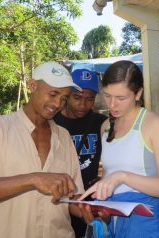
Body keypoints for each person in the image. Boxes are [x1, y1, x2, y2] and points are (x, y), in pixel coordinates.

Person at [0, 61, 93, 238]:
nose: (58, 103)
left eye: (64, 98)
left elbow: (71, 195)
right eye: (53, 94)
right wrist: (32, 179)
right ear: (32, 86)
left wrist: (87, 210)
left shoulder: (64, 137)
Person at [79, 60, 159, 237]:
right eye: (107, 95)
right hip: (116, 226)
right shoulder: (105, 127)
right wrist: (102, 205)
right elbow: (109, 179)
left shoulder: (153, 125)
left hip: (148, 228)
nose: (111, 105)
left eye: (120, 98)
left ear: (138, 93)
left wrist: (122, 177)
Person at [54, 68, 107, 237]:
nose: (83, 105)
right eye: (77, 97)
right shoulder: (52, 123)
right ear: (67, 95)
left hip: (88, 201)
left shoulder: (101, 123)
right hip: (59, 201)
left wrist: (106, 179)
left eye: (89, 99)